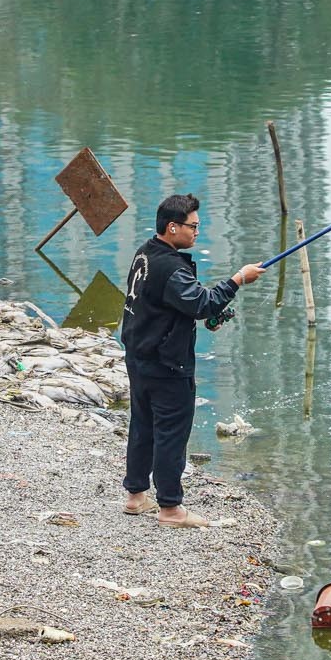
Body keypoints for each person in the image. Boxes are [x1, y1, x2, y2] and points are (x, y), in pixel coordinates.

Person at [120, 194, 265, 527]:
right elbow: (202, 303)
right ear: (173, 228)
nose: (197, 232)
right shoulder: (171, 267)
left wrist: (209, 314)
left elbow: (175, 306)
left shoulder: (145, 252)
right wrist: (238, 279)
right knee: (171, 432)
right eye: (193, 226)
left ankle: (135, 496)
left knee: (143, 426)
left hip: (139, 356)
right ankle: (170, 508)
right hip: (167, 365)